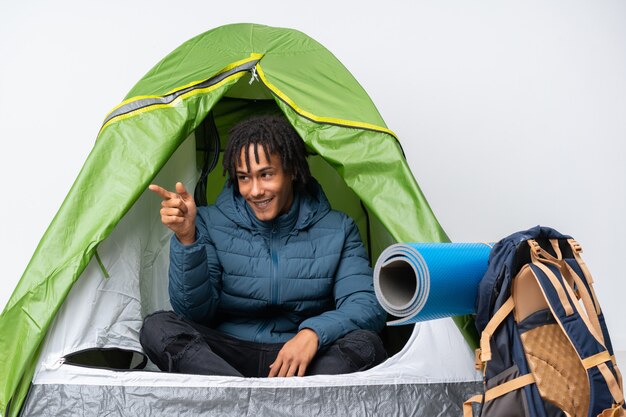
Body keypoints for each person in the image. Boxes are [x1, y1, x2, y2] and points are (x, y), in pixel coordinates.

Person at [140, 115, 387, 378]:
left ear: (292, 171)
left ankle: (240, 404)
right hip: (229, 359)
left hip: (303, 360)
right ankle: (248, 397)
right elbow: (194, 314)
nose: (255, 191)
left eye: (266, 175)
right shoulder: (209, 222)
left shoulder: (339, 228)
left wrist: (313, 333)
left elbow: (365, 304)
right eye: (244, 178)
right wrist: (187, 239)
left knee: (367, 345)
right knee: (157, 327)